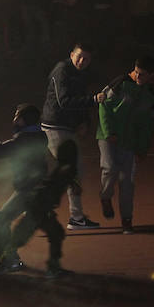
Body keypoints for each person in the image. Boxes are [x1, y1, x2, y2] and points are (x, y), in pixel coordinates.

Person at [0, 103, 49, 273]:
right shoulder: (37, 135)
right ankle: (0, 255)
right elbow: (7, 146)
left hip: (29, 190)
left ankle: (10, 260)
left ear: (23, 120)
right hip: (37, 188)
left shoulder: (25, 139)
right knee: (15, 225)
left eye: (17, 116)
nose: (14, 119)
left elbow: (2, 150)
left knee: (1, 220)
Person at [0, 140, 79, 278]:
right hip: (40, 207)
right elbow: (54, 187)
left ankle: (3, 260)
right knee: (29, 236)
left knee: (43, 235)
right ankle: (52, 268)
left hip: (38, 205)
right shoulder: (67, 169)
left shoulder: (62, 168)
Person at [40, 42, 102, 230]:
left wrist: (84, 122)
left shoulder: (80, 73)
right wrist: (93, 100)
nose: (82, 61)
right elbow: (64, 101)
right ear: (71, 54)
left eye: (87, 59)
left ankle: (42, 211)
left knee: (67, 173)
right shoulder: (62, 70)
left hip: (63, 127)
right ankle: (73, 217)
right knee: (72, 172)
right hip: (55, 127)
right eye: (79, 56)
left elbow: (77, 99)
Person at [96, 56, 154, 234]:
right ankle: (105, 196)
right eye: (136, 72)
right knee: (109, 169)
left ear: (151, 76)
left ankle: (127, 219)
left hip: (129, 142)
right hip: (107, 137)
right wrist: (109, 132)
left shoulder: (151, 98)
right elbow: (103, 106)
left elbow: (147, 127)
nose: (137, 76)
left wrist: (142, 149)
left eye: (142, 74)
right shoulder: (120, 83)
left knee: (127, 182)